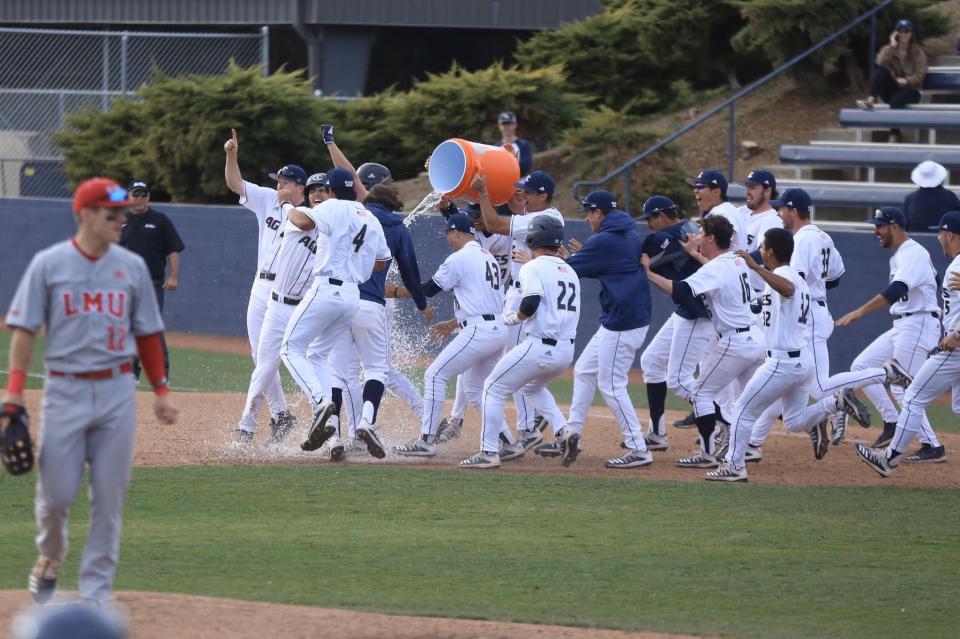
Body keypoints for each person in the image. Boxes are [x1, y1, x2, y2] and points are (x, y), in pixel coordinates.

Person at [2, 177, 178, 604]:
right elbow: (24, 329)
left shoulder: (131, 268)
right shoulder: (50, 264)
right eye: (111, 212)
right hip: (65, 391)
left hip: (117, 391)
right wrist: (14, 392)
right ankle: (51, 555)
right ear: (85, 215)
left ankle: (96, 593)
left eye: (122, 212)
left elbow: (148, 333)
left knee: (109, 497)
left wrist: (160, 389)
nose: (120, 219)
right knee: (56, 495)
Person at [280, 167, 392, 459]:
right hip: (353, 295)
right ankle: (329, 421)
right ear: (354, 190)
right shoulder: (370, 216)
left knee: (290, 348)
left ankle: (320, 403)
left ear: (329, 191)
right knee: (318, 355)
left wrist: (287, 205)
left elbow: (303, 222)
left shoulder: (331, 206)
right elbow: (382, 262)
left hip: (326, 288)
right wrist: (358, 263)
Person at [642, 215, 764, 468]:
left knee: (700, 393)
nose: (697, 235)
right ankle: (730, 446)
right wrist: (695, 254)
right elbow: (716, 268)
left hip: (735, 341)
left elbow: (681, 291)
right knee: (734, 400)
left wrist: (648, 273)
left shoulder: (716, 267)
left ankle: (713, 448)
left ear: (710, 238)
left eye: (701, 231)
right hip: (753, 337)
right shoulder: (736, 259)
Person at [461, 215, 580, 469]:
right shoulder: (570, 271)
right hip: (565, 351)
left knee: (492, 387)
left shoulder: (532, 267)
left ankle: (488, 452)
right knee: (531, 388)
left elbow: (531, 301)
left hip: (541, 345)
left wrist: (516, 317)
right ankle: (563, 431)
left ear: (533, 238)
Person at [550, 190, 654, 468]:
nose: (586, 218)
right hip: (624, 318)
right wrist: (582, 255)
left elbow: (571, 270)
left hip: (623, 321)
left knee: (611, 384)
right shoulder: (627, 233)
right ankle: (572, 433)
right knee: (584, 370)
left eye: (589, 212)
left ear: (599, 212)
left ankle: (638, 447)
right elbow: (604, 264)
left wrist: (559, 260)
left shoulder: (605, 239)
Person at [709, 229, 822, 482]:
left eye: (762, 246)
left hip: (783, 361)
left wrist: (757, 269)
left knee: (742, 410)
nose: (759, 251)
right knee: (793, 421)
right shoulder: (796, 276)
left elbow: (788, 290)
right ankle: (835, 403)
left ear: (770, 251)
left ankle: (734, 466)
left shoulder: (783, 275)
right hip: (801, 360)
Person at [330, 180, 433, 459]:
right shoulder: (396, 227)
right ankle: (366, 421)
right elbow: (410, 270)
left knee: (339, 373)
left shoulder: (348, 216)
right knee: (378, 369)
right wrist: (422, 303)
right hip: (371, 303)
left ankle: (335, 436)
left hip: (338, 300)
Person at [394, 213, 508, 457]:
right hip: (497, 329)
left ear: (457, 232)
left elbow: (429, 290)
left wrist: (395, 291)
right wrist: (455, 321)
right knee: (476, 390)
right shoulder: (488, 257)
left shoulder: (460, 258)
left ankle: (426, 440)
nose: (447, 238)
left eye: (448, 233)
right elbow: (486, 301)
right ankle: (509, 441)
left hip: (479, 330)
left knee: (434, 375)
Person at [857, 210, 960, 475]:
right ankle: (897, 440)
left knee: (911, 394)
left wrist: (957, 335)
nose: (937, 237)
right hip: (935, 335)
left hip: (951, 346)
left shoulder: (954, 264)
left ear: (950, 234)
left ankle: (890, 459)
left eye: (940, 232)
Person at [834, 206, 942, 450]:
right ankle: (892, 422)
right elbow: (933, 280)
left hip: (919, 322)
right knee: (861, 366)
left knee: (902, 386)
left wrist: (859, 312)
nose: (876, 231)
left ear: (895, 226)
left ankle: (932, 446)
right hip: (905, 323)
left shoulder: (912, 252)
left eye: (880, 226)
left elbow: (895, 291)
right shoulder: (902, 255)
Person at [234, 172, 328, 444]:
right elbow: (298, 219)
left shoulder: (321, 221)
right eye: (315, 191)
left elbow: (304, 218)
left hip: (305, 307)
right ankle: (250, 425)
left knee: (312, 361)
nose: (318, 195)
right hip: (275, 300)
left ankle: (325, 420)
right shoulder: (291, 214)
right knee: (263, 362)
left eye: (323, 191)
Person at [474, 170, 565, 450]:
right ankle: (557, 428)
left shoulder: (543, 219)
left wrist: (483, 192)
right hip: (521, 291)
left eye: (527, 192)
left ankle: (527, 430)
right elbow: (507, 214)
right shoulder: (539, 216)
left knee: (514, 368)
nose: (522, 195)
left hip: (525, 295)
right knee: (524, 374)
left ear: (543, 195)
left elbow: (493, 222)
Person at [223, 128, 300, 436]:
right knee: (259, 354)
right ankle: (282, 414)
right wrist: (231, 155)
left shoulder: (307, 214)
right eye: (277, 180)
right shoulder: (268, 199)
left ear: (299, 187)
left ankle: (313, 414)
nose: (278, 185)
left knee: (286, 354)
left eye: (284, 181)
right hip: (261, 285)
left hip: (288, 291)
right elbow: (234, 183)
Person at [636, 195, 713, 452]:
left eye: (650, 219)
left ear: (661, 216)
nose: (648, 225)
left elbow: (639, 259)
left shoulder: (670, 236)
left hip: (697, 313)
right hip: (686, 309)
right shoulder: (688, 228)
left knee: (679, 380)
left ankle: (725, 419)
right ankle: (657, 433)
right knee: (651, 362)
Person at [119, 179, 184, 380]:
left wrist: (173, 276)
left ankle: (161, 372)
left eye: (143, 194)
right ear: (128, 196)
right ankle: (130, 370)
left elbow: (173, 250)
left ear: (148, 197)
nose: (140, 198)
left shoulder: (159, 220)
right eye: (136, 194)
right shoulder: (120, 221)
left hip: (152, 283)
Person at [856, 19, 928, 143]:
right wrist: (891, 45)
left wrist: (907, 80)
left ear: (911, 33)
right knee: (882, 70)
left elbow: (920, 75)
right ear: (896, 33)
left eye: (906, 31)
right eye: (901, 31)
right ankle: (871, 98)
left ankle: (894, 134)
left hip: (911, 91)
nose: (904, 34)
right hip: (894, 87)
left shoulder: (918, 52)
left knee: (896, 99)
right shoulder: (891, 49)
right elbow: (879, 63)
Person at [903, 161, 960, 232]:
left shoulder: (910, 198)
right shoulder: (950, 197)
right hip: (943, 240)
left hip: (916, 240)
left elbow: (905, 225)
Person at [497, 111, 533, 177]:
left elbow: (526, 165)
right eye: (504, 124)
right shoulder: (495, 147)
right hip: (502, 182)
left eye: (509, 124)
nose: (506, 127)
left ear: (515, 125)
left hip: (521, 181)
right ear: (499, 126)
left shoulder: (524, 145)